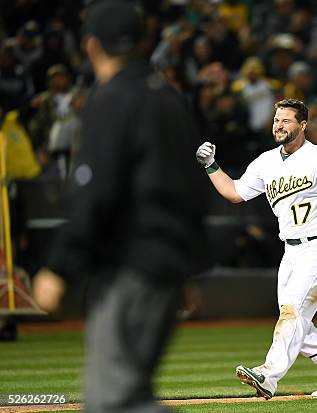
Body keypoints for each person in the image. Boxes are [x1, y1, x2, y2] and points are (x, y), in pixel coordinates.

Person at [32, 2, 203, 412]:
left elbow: (96, 191)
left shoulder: (112, 98)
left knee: (113, 402)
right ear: (144, 42)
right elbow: (192, 189)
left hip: (131, 267)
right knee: (121, 396)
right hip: (164, 266)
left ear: (90, 46)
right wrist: (186, 268)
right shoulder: (170, 98)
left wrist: (59, 266)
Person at [196, 98, 317, 399]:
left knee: (293, 313)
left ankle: (268, 375)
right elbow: (235, 193)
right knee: (297, 318)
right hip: (292, 250)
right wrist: (210, 166)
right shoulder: (266, 162)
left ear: (302, 125)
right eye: (276, 120)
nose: (279, 125)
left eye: (286, 120)